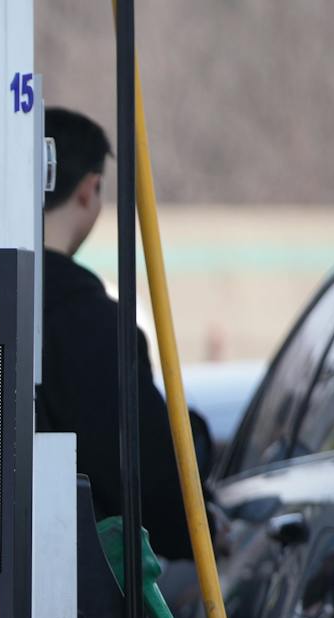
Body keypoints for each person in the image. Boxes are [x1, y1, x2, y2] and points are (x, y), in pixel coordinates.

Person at [40, 106, 210, 561]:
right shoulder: (97, 327)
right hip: (77, 590)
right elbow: (146, 474)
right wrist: (202, 531)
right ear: (90, 188)